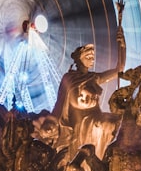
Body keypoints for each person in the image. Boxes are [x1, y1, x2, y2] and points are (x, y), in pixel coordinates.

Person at [51, 21, 126, 159]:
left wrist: (122, 44)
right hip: (79, 122)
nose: (92, 60)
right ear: (79, 59)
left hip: (95, 117)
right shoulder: (69, 78)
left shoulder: (94, 77)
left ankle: (111, 156)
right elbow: (60, 102)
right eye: (88, 57)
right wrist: (52, 121)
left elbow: (119, 69)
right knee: (108, 123)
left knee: (121, 121)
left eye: (93, 58)